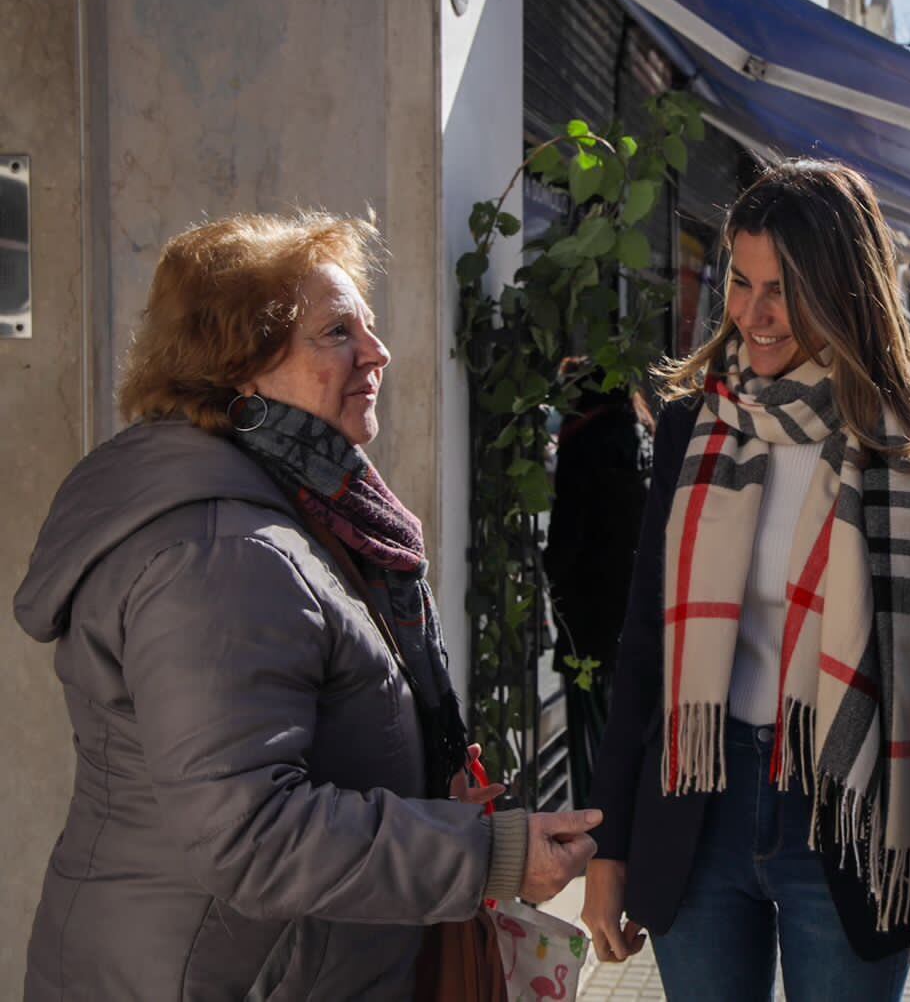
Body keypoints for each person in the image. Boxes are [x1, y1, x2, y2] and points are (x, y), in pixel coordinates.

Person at [14, 212, 599, 1000]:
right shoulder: (224, 550)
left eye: (369, 324)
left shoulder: (285, 509)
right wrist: (483, 853)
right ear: (238, 366)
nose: (377, 352)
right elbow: (251, 835)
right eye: (336, 332)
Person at [581, 161, 910, 1001]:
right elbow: (645, 644)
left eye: (782, 292)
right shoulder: (696, 420)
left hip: (850, 810)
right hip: (700, 799)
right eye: (740, 283)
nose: (752, 317)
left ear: (843, 291)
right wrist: (609, 845)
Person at [545, 357, 654, 806]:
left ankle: (600, 834)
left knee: (592, 745)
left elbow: (566, 538)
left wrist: (556, 584)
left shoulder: (583, 442)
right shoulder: (641, 436)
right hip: (637, 616)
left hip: (589, 621)